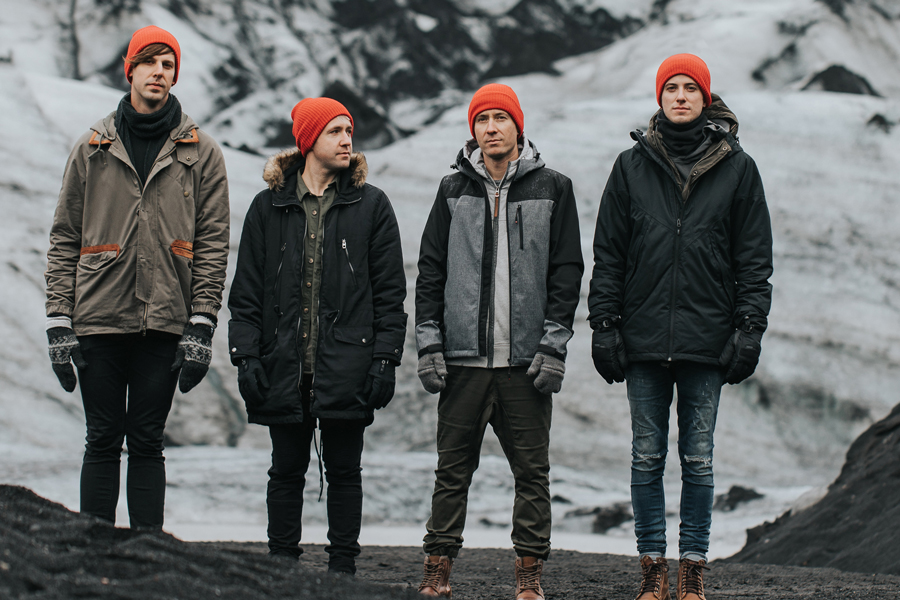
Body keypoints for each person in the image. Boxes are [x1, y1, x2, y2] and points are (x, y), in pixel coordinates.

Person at [588, 54, 773, 600]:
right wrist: (604, 325)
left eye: (691, 87)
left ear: (706, 97)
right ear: (660, 96)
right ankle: (652, 574)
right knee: (646, 456)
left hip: (707, 339)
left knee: (698, 457)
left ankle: (691, 572)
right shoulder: (630, 165)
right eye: (672, 87)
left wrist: (749, 330)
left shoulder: (739, 168)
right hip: (644, 338)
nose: (681, 96)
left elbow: (754, 259)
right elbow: (609, 254)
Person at [45, 25, 230, 531]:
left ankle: (150, 554)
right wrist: (59, 321)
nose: (159, 72)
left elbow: (213, 245)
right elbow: (65, 236)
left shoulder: (202, 153)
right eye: (149, 62)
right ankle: (95, 552)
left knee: (148, 438)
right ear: (130, 70)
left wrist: (201, 323)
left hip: (166, 317)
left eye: (168, 64)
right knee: (102, 437)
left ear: (175, 75)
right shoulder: (92, 148)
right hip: (98, 316)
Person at [415, 83, 584, 600]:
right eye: (482, 119)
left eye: (500, 118)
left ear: (518, 126)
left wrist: (553, 347)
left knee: (532, 473)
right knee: (451, 473)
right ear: (473, 129)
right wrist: (428, 343)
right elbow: (430, 271)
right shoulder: (451, 191)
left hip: (525, 364)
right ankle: (437, 571)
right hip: (464, 362)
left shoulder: (553, 187)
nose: (490, 128)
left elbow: (567, 271)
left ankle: (529, 577)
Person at [227, 97, 406, 575]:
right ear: (308, 141)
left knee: (345, 472)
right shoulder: (267, 207)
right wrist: (246, 357)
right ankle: (281, 566)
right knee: (285, 471)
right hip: (283, 366)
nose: (347, 139)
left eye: (349, 131)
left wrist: (386, 360)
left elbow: (390, 294)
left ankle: (342, 570)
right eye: (335, 131)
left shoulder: (372, 206)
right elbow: (245, 293)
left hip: (347, 364)